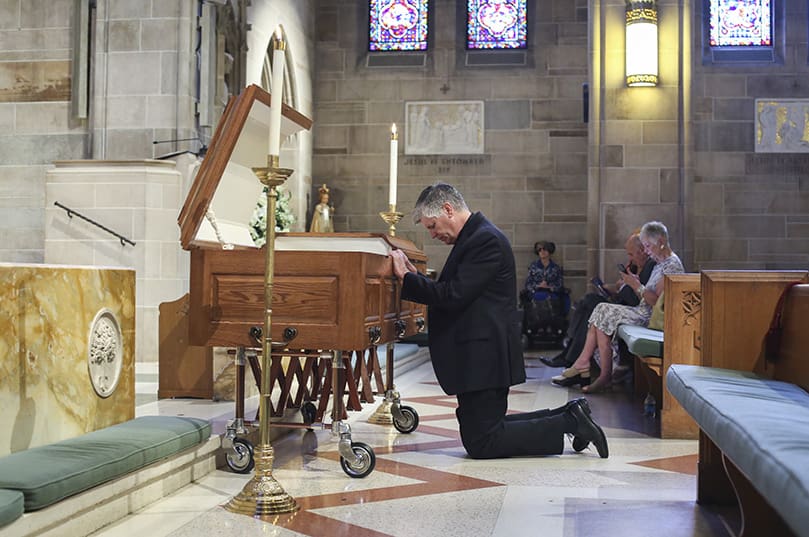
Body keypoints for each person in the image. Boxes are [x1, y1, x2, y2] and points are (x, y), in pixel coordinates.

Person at [389, 183, 608, 459]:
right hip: (476, 354)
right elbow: (459, 290)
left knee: (483, 442)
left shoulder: (484, 240)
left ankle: (570, 421)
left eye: (432, 226)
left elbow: (453, 295)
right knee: (483, 434)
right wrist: (415, 278)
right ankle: (570, 416)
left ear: (447, 209)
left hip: (484, 355)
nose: (432, 234)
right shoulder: (474, 237)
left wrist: (408, 280)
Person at [552, 221, 684, 393]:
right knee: (600, 312)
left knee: (602, 311)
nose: (647, 251)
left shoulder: (672, 265)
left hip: (651, 317)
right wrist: (631, 284)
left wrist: (636, 285)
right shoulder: (660, 263)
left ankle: (594, 369)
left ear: (661, 241)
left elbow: (658, 303)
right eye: (644, 246)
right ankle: (596, 369)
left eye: (648, 246)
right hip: (643, 311)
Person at [540, 232, 655, 368]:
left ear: (642, 251)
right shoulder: (636, 266)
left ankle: (569, 357)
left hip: (630, 310)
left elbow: (635, 300)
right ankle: (568, 354)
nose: (629, 258)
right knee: (587, 303)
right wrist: (611, 289)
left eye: (630, 254)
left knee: (591, 304)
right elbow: (625, 291)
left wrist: (625, 285)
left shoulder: (650, 266)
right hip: (620, 303)